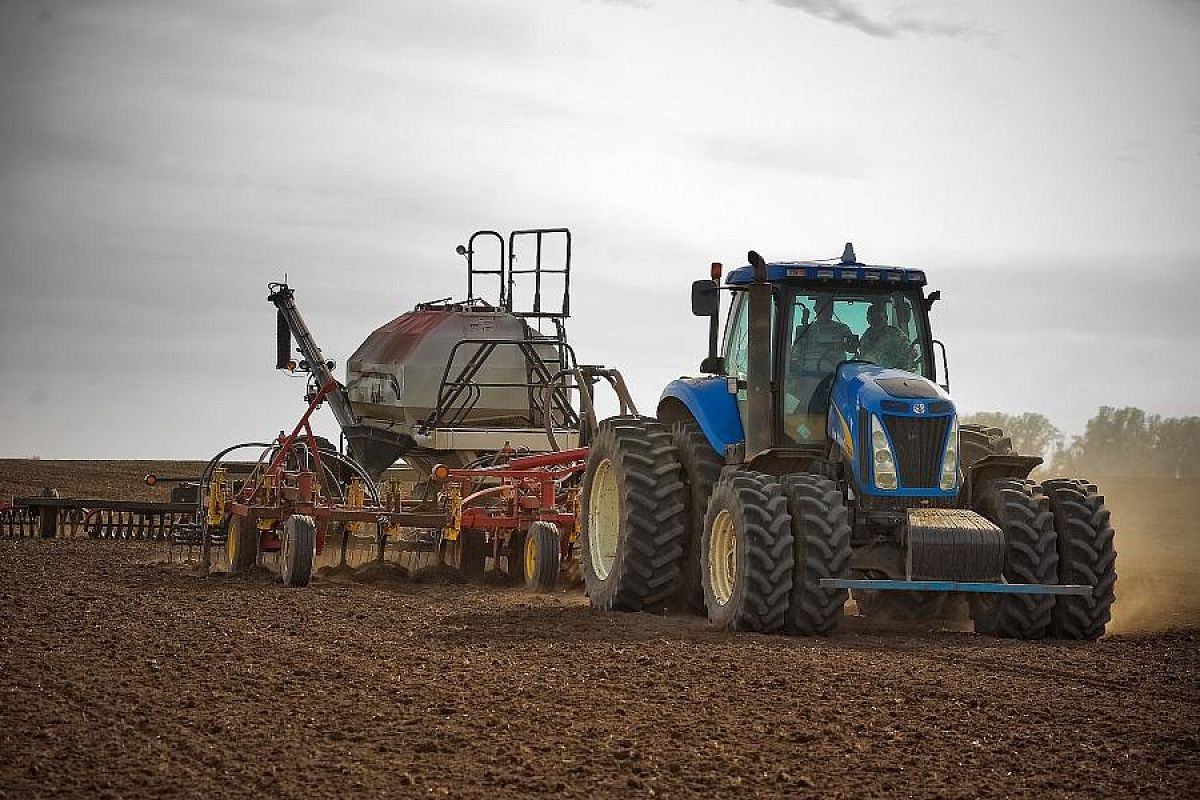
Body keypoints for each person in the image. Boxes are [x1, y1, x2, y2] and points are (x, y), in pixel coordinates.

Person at [858, 303, 913, 370]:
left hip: (891, 376)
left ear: (886, 318)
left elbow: (908, 357)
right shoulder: (866, 336)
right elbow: (863, 358)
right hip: (869, 375)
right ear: (868, 320)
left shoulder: (896, 335)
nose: (876, 321)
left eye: (879, 317)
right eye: (872, 318)